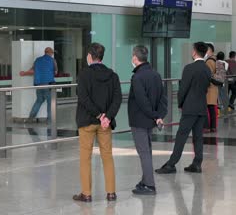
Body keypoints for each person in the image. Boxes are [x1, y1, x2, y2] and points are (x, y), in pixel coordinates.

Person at [73, 43, 122, 202]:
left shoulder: (84, 74)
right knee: (107, 156)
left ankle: (86, 194)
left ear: (89, 56)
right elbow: (117, 99)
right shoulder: (112, 75)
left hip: (87, 121)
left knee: (85, 158)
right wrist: (107, 116)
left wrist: (98, 114)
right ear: (101, 57)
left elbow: (83, 98)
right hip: (105, 124)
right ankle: (111, 193)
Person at [155, 42, 211, 174]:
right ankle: (197, 164)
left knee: (181, 135)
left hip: (190, 108)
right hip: (202, 107)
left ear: (195, 52)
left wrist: (180, 104)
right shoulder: (207, 69)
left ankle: (171, 164)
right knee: (198, 137)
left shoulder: (189, 68)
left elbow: (183, 89)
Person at [128, 46, 167, 195]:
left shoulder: (137, 77)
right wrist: (159, 115)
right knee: (147, 151)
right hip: (151, 120)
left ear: (135, 58)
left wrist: (153, 115)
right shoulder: (155, 74)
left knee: (143, 152)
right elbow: (163, 98)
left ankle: (150, 185)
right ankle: (145, 180)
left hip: (140, 120)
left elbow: (142, 101)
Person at [19, 47, 58, 122]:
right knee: (50, 102)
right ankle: (49, 120)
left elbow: (32, 70)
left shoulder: (37, 60)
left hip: (39, 84)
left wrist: (24, 73)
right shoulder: (53, 61)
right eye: (52, 53)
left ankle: (30, 118)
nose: (52, 54)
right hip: (49, 84)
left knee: (39, 101)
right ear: (50, 53)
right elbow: (56, 72)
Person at [204, 43, 218, 133]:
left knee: (208, 109)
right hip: (214, 87)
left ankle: (208, 127)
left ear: (210, 50)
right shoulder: (216, 59)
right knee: (212, 108)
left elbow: (207, 75)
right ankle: (213, 127)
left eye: (206, 50)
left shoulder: (209, 61)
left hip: (209, 88)